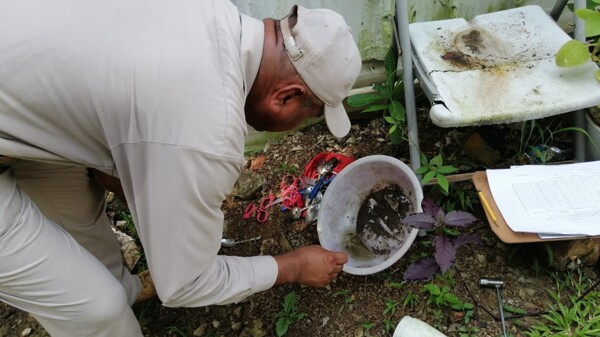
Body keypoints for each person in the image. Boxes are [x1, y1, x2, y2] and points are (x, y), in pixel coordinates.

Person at [0, 0, 362, 336]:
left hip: (20, 82)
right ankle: (108, 310)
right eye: (311, 116)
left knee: (78, 212)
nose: (302, 124)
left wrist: (139, 170)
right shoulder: (208, 131)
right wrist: (292, 267)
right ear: (286, 96)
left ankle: (121, 287)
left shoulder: (209, 13)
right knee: (99, 311)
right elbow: (185, 284)